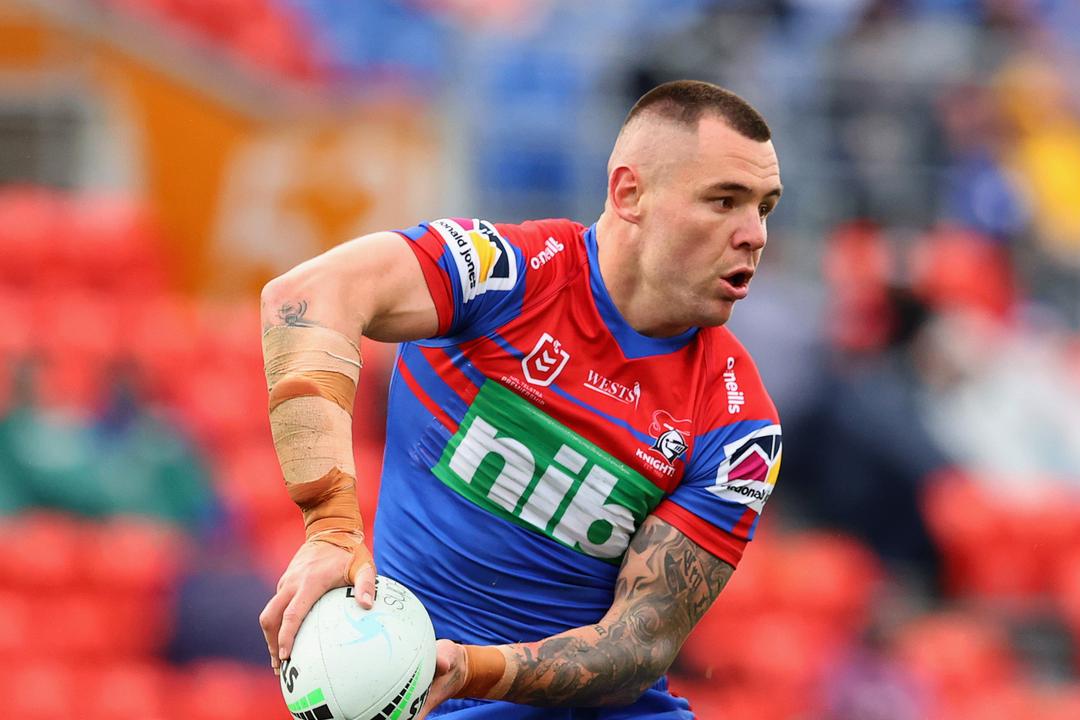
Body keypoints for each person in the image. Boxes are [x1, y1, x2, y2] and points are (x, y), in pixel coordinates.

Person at [257, 80, 785, 718]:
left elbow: (638, 647)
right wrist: (332, 530)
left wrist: (471, 668)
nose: (753, 235)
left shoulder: (741, 428)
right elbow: (303, 298)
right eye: (724, 201)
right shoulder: (503, 273)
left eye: (765, 208)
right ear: (629, 193)